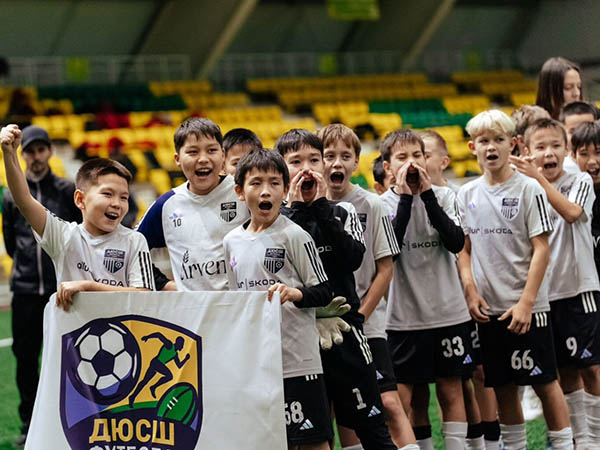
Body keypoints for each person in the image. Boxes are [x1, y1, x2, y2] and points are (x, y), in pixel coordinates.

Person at [276, 129, 418, 450]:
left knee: (372, 421)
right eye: (296, 162)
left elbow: (352, 259)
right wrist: (296, 209)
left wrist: (321, 207)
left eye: (314, 160)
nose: (307, 168)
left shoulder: (343, 211)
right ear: (282, 170)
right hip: (298, 337)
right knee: (312, 432)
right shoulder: (277, 220)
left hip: (346, 332)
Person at [456, 110, 573, 450]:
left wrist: (526, 303)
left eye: (499, 139)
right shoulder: (466, 193)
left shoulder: (529, 189)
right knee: (503, 386)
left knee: (545, 383)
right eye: (484, 141)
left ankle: (565, 446)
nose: (491, 147)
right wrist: (470, 291)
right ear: (472, 147)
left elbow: (541, 248)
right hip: (490, 311)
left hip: (528, 309)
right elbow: (464, 249)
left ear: (514, 143)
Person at [223, 148, 333, 450]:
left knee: (313, 443)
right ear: (239, 191)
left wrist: (295, 293)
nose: (265, 191)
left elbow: (324, 291)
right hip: (257, 362)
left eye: (274, 183)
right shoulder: (231, 242)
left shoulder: (295, 236)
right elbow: (236, 300)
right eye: (256, 183)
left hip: (297, 361)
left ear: (285, 191)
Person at [317, 124, 414, 449]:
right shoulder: (306, 208)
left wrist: (359, 316)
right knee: (342, 412)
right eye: (328, 155)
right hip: (323, 328)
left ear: (356, 162)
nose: (337, 163)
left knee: (388, 402)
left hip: (366, 323)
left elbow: (386, 269)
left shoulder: (371, 205)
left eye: (345, 156)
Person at [379, 128, 474, 450]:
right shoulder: (382, 205)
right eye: (402, 157)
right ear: (388, 166)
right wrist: (406, 197)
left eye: (417, 155)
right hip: (403, 319)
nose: (411, 163)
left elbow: (456, 242)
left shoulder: (445, 197)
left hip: (448, 313)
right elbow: (391, 249)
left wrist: (427, 196)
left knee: (451, 390)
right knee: (403, 398)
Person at [510, 118, 600, 448]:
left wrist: (536, 179)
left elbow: (572, 213)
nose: (549, 153)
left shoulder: (579, 180)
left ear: (567, 151)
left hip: (578, 289)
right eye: (541, 147)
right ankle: (582, 440)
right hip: (546, 295)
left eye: (556, 146)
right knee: (567, 372)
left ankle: (596, 438)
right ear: (528, 150)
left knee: (592, 368)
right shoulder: (521, 187)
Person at [0, 125, 154, 310]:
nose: (117, 204)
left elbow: (144, 296)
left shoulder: (135, 240)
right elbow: (23, 200)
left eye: (124, 197)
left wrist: (88, 287)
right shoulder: (64, 236)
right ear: (80, 199)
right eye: (107, 194)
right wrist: (9, 154)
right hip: (61, 326)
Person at [0, 125, 81, 445]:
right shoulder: (10, 196)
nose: (35, 157)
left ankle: (67, 421)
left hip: (60, 290)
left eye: (40, 150)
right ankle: (28, 423)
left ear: (49, 151)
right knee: (25, 358)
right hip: (24, 290)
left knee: (68, 357)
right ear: (23, 154)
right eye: (29, 151)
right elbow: (10, 242)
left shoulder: (66, 190)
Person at [136, 118, 250, 291]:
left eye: (211, 150)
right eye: (193, 152)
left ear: (222, 154)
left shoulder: (243, 192)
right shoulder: (166, 204)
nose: (203, 159)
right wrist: (165, 285)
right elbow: (132, 250)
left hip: (242, 305)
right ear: (177, 159)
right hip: (191, 307)